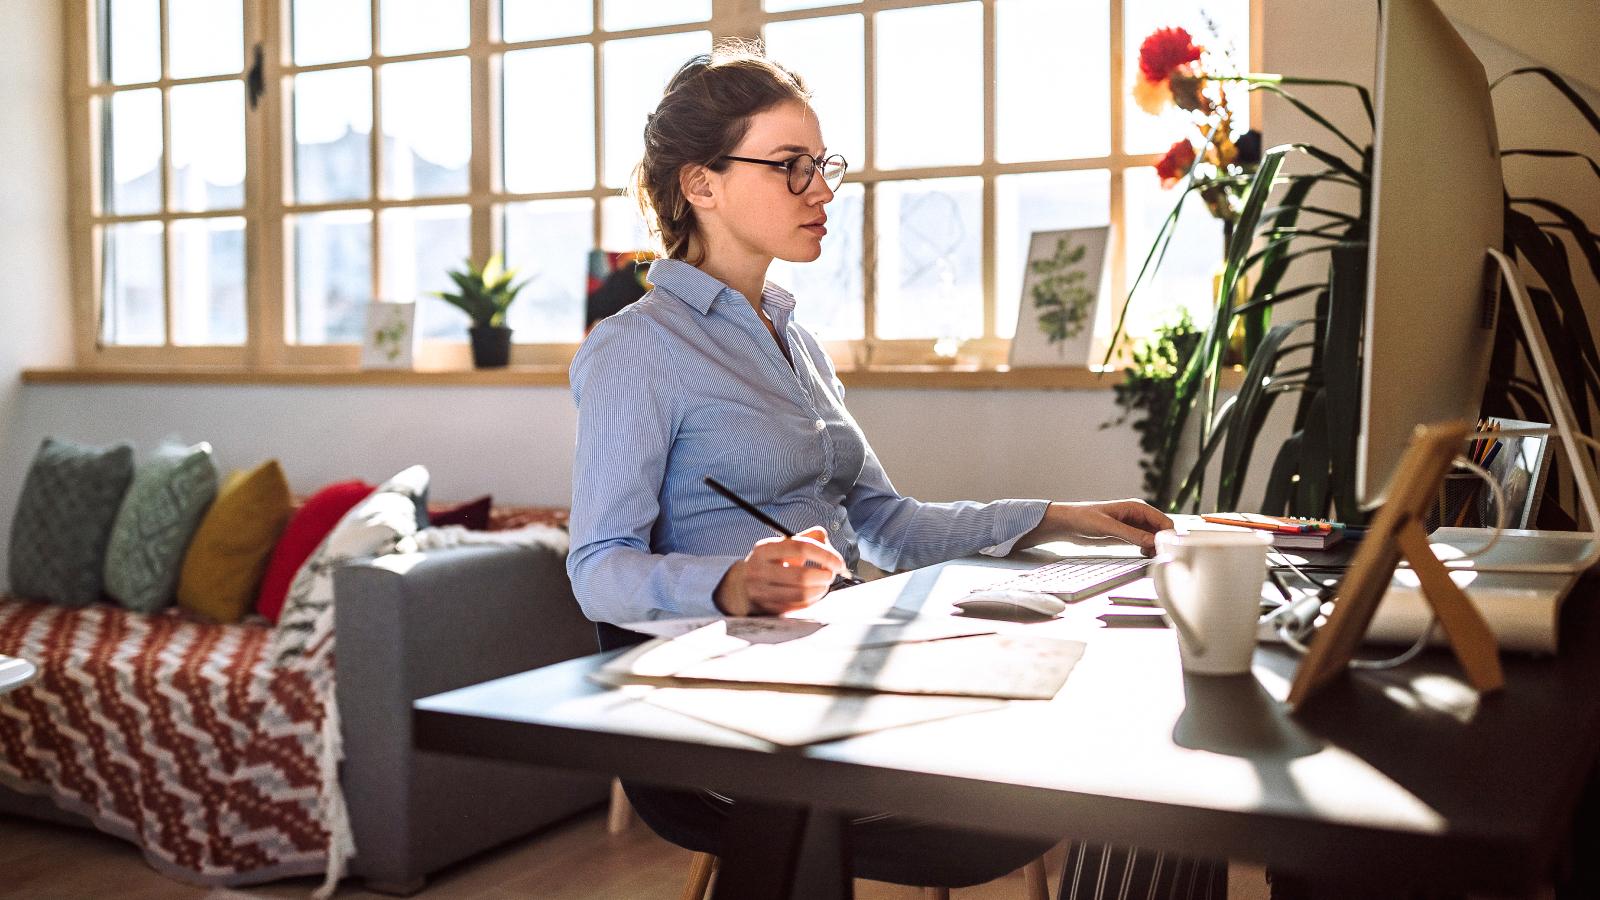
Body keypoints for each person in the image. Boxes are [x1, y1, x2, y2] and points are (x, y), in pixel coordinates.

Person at [566, 40, 1224, 897]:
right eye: (791, 167)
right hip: (725, 720)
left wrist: (1060, 515)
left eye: (823, 165)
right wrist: (729, 584)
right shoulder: (636, 349)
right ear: (702, 184)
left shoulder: (794, 339)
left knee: (1152, 727)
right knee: (1105, 767)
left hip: (836, 664)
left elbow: (887, 521)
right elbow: (596, 571)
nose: (823, 192)